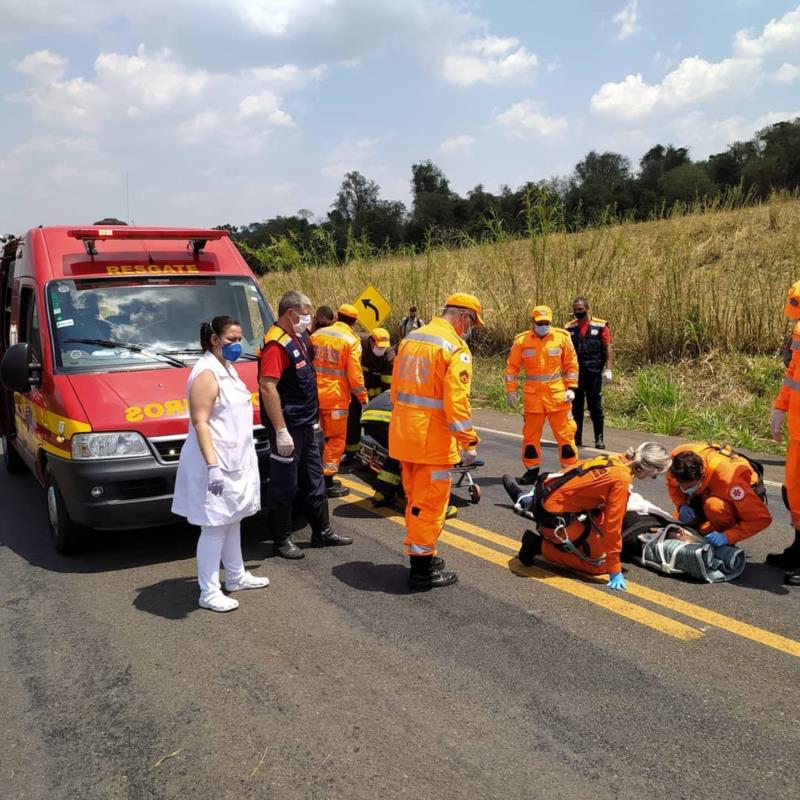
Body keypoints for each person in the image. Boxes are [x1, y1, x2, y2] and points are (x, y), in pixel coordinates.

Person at [172, 315, 268, 612]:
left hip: (235, 457)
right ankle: (209, 591)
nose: (236, 345)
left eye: (240, 340)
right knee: (213, 526)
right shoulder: (206, 373)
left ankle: (236, 576)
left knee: (233, 518)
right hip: (214, 461)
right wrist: (212, 466)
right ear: (214, 339)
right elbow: (200, 422)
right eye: (231, 340)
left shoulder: (226, 368)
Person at [389, 293, 483, 590]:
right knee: (429, 506)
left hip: (405, 435)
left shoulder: (411, 339)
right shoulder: (455, 348)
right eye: (472, 324)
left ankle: (424, 555)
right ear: (463, 317)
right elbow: (456, 402)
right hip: (432, 442)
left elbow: (396, 392)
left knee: (415, 499)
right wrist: (468, 443)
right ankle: (421, 569)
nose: (470, 330)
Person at [258, 291, 352, 559]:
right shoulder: (276, 345)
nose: (309, 317)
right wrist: (280, 430)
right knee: (284, 484)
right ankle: (282, 539)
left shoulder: (299, 338)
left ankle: (322, 531)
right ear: (291, 313)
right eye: (305, 312)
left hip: (307, 424)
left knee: (314, 477)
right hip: (288, 427)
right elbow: (267, 387)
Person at [503, 443, 672, 590]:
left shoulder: (612, 459)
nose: (653, 478)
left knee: (600, 544)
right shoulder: (621, 480)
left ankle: (560, 539)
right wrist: (614, 569)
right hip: (556, 521)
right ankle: (538, 545)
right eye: (655, 475)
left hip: (549, 502)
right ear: (651, 469)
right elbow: (612, 526)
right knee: (599, 565)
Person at [505, 305, 579, 485]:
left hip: (558, 396)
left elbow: (572, 365)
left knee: (565, 435)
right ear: (532, 322)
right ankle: (531, 471)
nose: (543, 325)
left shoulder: (562, 337)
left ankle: (570, 471)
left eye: (547, 323)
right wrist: (510, 390)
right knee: (531, 438)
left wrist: (572, 388)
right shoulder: (521, 341)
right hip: (533, 398)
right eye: (540, 323)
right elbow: (512, 367)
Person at [358, 389, 458, 519]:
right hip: (388, 419)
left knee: (396, 454)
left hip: (369, 418)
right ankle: (431, 506)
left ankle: (382, 493)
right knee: (419, 459)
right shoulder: (437, 396)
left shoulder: (410, 386)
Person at [310, 303, 367, 496]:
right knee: (335, 439)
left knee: (315, 438)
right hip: (335, 399)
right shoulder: (351, 340)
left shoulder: (316, 335)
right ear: (354, 322)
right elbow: (355, 374)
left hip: (312, 396)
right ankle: (326, 480)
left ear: (338, 316)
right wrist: (363, 397)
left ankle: (312, 476)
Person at [665, 442, 771, 547]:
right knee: (675, 522)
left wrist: (728, 536)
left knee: (715, 506)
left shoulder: (731, 481)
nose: (684, 490)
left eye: (690, 487)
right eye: (681, 485)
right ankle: (701, 527)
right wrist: (681, 504)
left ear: (702, 474)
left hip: (732, 503)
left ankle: (721, 535)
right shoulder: (677, 460)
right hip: (705, 493)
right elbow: (672, 485)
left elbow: (760, 519)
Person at [770, 279, 800, 585]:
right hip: (797, 428)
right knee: (794, 491)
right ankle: (798, 547)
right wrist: (779, 409)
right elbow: (793, 373)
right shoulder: (799, 329)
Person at [565, 296, 613, 449]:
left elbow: (608, 347)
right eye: (575, 310)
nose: (577, 312)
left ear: (587, 308)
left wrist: (609, 368)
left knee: (595, 407)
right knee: (576, 407)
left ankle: (599, 438)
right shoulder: (569, 328)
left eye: (580, 309)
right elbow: (565, 351)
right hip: (575, 373)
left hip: (594, 372)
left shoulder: (600, 325)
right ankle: (576, 437)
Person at [343, 327, 395, 464]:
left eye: (383, 347)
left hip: (376, 392)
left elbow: (387, 385)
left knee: (371, 421)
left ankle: (370, 453)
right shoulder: (358, 343)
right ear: (371, 341)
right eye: (378, 346)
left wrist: (377, 401)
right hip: (356, 388)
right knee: (353, 420)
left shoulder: (389, 356)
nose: (381, 349)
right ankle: (351, 452)